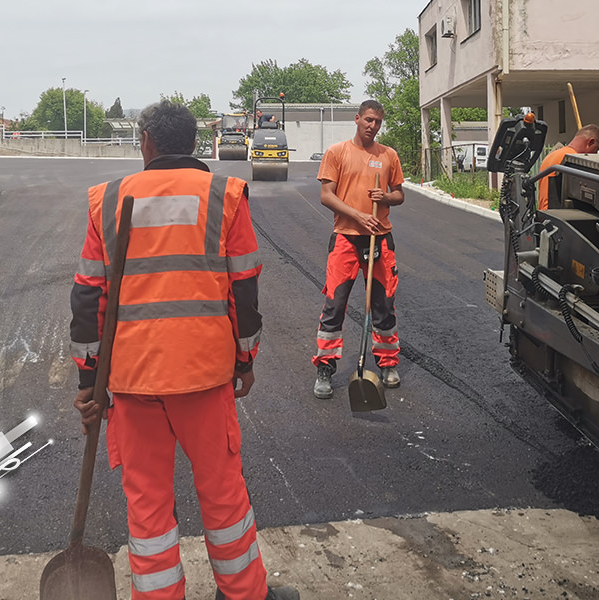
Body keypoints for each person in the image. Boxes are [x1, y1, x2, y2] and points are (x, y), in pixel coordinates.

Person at [69, 101, 298, 600]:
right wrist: (245, 361)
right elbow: (244, 290)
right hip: (203, 376)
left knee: (148, 507)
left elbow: (88, 296)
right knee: (222, 495)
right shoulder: (223, 195)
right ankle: (243, 594)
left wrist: (90, 382)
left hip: (130, 382)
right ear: (194, 144)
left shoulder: (107, 199)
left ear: (147, 141)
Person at [311, 99, 405, 399]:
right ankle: (325, 368)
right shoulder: (337, 153)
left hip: (381, 239)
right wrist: (358, 215)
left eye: (377, 121)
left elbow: (400, 194)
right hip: (346, 238)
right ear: (357, 119)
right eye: (368, 120)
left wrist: (386, 198)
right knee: (334, 305)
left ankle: (388, 364)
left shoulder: (388, 155)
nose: (372, 126)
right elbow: (327, 196)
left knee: (383, 305)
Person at [537, 124, 599, 210]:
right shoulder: (572, 160)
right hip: (557, 214)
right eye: (596, 149)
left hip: (544, 213)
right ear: (590, 142)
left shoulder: (553, 155)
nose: (595, 154)